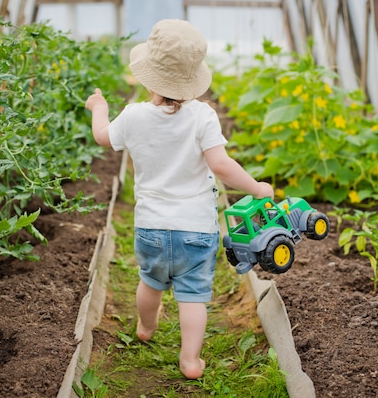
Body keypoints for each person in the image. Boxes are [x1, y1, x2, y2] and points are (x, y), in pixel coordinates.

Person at [85, 19, 273, 380]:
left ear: (148, 75)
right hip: (196, 230)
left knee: (150, 282)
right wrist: (257, 188)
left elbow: (103, 138)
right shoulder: (203, 115)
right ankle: (190, 360)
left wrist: (99, 107)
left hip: (151, 226)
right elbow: (221, 164)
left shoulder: (134, 116)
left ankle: (145, 327)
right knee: (192, 296)